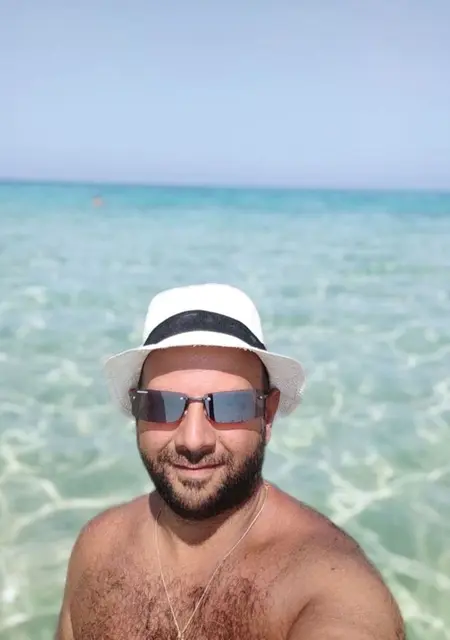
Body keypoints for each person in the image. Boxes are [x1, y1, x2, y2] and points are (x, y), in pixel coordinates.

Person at [55, 283, 405, 639]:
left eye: (230, 406)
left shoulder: (328, 585)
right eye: (161, 405)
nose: (194, 440)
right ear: (138, 411)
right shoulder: (96, 550)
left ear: (267, 415)